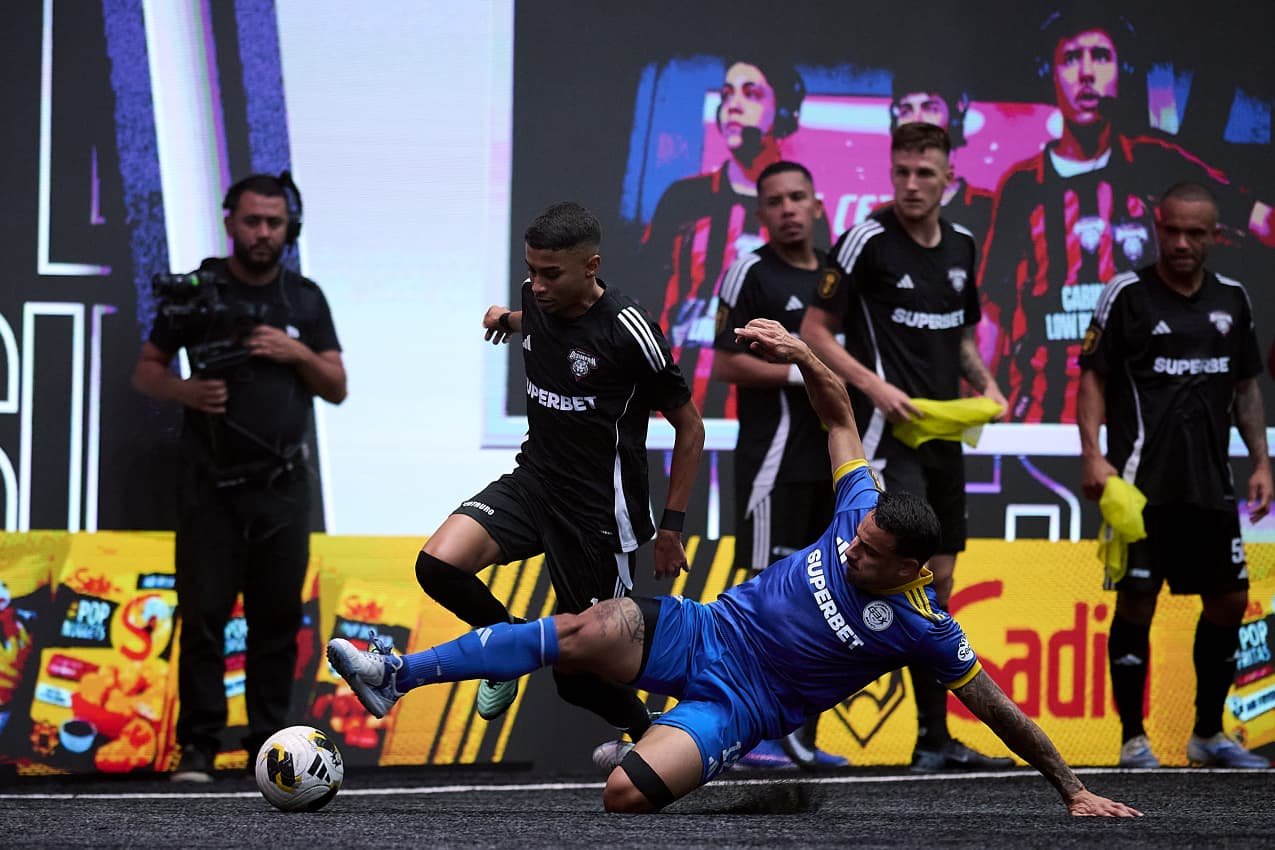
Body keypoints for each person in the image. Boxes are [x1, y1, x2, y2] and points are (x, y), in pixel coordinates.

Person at [327, 318, 1141, 818]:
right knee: (579, 631)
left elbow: (1001, 712)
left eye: (868, 556)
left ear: (909, 570)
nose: (852, 549)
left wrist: (1071, 789)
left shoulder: (926, 629)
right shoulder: (861, 508)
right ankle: (396, 675)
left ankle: (656, 741)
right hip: (704, 630)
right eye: (856, 540)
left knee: (623, 798)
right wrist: (800, 352)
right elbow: (838, 416)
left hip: (740, 704)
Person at [415, 201, 704, 749]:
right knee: (438, 565)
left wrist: (671, 528)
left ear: (591, 266)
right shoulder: (535, 298)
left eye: (551, 273)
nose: (538, 285)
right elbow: (539, 320)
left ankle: (651, 736)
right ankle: (505, 650)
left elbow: (690, 428)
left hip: (599, 513)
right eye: (531, 271)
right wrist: (504, 320)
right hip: (536, 481)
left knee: (577, 675)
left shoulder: (630, 330)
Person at [800, 122, 1011, 772]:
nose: (912, 184)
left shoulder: (963, 244)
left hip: (942, 435)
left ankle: (931, 738)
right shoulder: (866, 238)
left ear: (950, 178)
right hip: (881, 434)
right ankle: (796, 722)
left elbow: (962, 339)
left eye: (925, 173)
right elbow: (814, 331)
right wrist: (876, 388)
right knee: (880, 576)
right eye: (902, 172)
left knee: (939, 579)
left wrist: (986, 384)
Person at [131, 173, 347, 781]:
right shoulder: (198, 292)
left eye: (274, 223)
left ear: (289, 228)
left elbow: (337, 387)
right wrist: (184, 391)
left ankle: (269, 746)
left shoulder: (305, 298)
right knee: (203, 619)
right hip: (210, 486)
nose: (262, 233)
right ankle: (198, 746)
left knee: (276, 622)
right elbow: (146, 370)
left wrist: (295, 352)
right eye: (252, 221)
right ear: (230, 223)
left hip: (283, 487)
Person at [980, 5, 1275, 423]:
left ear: (1122, 70)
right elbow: (992, 311)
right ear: (1051, 73)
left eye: (1101, 57)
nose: (1086, 73)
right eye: (1070, 58)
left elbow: (1260, 221)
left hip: (1145, 414)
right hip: (1043, 417)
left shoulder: (1157, 164)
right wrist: (981, 405)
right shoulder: (1022, 186)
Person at [1077, 181, 1272, 769]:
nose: (1182, 243)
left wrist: (1261, 461)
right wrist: (1092, 454)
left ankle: (1207, 734)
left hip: (1211, 484)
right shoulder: (1126, 294)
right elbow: (1092, 378)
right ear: (1156, 228)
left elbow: (1246, 388)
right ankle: (1133, 739)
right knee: (1138, 602)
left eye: (1195, 233)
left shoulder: (1233, 298)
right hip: (1141, 485)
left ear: (1215, 235)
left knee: (1230, 601)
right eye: (1172, 231)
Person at [709, 160, 845, 770]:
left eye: (798, 197)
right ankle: (751, 734)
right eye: (775, 201)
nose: (788, 209)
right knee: (770, 597)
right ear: (761, 212)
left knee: (826, 599)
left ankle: (799, 739)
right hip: (774, 463)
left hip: (834, 462)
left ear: (817, 205)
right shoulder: (751, 272)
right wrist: (807, 369)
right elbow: (726, 364)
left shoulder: (838, 276)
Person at [636, 57, 810, 419]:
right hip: (674, 405)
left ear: (784, 111)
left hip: (760, 413)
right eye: (727, 93)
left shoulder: (799, 213)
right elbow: (645, 295)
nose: (734, 104)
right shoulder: (684, 199)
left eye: (751, 94)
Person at [887, 69, 993, 245]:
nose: (917, 120)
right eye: (906, 110)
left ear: (955, 111)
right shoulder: (879, 225)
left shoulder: (989, 210)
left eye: (930, 108)